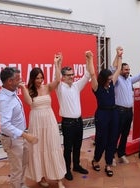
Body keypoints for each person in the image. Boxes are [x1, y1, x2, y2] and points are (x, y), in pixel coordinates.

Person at [20, 53, 66, 188]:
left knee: (53, 147)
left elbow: (58, 80)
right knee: (39, 149)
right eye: (37, 78)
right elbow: (29, 102)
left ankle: (59, 180)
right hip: (36, 123)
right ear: (32, 79)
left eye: (41, 77)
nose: (40, 80)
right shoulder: (29, 90)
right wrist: (23, 88)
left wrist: (56, 64)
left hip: (49, 121)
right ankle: (41, 177)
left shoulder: (47, 88)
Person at [0, 67, 38, 188]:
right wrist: (25, 135)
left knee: (23, 164)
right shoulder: (4, 99)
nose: (21, 80)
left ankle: (21, 184)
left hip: (19, 137)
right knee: (16, 169)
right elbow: (5, 125)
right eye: (18, 79)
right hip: (13, 139)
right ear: (9, 81)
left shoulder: (11, 94)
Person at [56, 51, 94, 181]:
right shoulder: (59, 87)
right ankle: (67, 170)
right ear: (63, 77)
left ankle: (76, 165)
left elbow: (87, 74)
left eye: (72, 74)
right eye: (68, 75)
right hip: (67, 123)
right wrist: (58, 63)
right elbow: (56, 78)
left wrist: (88, 59)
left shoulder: (76, 86)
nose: (72, 77)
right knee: (68, 148)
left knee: (78, 146)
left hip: (79, 122)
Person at [112, 49, 140, 165]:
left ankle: (121, 154)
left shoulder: (129, 80)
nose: (128, 71)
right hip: (119, 111)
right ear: (121, 70)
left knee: (125, 134)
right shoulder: (117, 80)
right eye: (126, 69)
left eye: (129, 69)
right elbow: (114, 69)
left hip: (128, 112)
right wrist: (118, 56)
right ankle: (111, 155)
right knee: (115, 134)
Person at [89, 47, 122, 177]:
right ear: (103, 78)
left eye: (110, 78)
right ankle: (96, 160)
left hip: (113, 114)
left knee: (112, 140)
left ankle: (108, 164)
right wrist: (90, 59)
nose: (110, 80)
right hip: (102, 114)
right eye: (108, 78)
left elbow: (118, 70)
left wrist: (119, 56)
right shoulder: (97, 87)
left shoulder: (112, 84)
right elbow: (92, 74)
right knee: (101, 140)